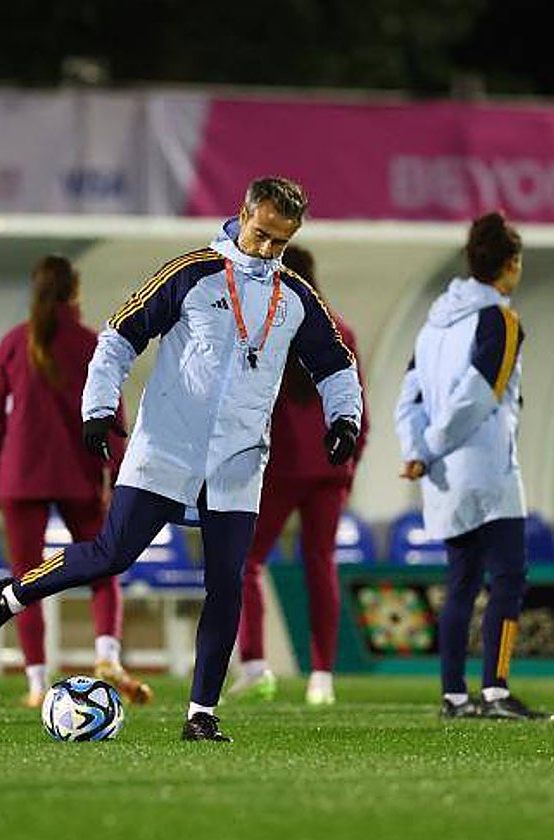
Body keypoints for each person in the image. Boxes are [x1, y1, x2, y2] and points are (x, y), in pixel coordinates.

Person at [0, 177, 363, 741]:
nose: (268, 249)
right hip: (166, 447)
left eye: (281, 242)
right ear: (242, 213)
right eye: (262, 234)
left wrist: (344, 418)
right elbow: (119, 336)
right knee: (111, 554)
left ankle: (201, 714)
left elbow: (337, 365)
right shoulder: (190, 273)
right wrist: (97, 408)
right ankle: (11, 595)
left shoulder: (294, 297)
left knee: (225, 584)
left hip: (239, 461)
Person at [0, 255, 152, 708]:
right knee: (103, 565)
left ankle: (36, 684)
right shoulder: (92, 343)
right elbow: (113, 415)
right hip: (82, 474)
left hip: (21, 477)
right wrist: (115, 474)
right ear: (74, 292)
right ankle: (107, 656)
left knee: (26, 578)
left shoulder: (15, 342)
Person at [395, 212, 551, 721]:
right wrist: (434, 446)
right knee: (508, 575)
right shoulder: (500, 320)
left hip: (440, 475)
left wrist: (417, 450)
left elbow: (409, 397)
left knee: (461, 579)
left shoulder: (433, 322)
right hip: (485, 468)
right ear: (510, 264)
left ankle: (454, 695)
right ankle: (497, 692)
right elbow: (478, 395)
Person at [227, 245, 369, 706]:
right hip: (329, 470)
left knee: (245, 561)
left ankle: (255, 666)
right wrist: (349, 469)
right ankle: (322, 678)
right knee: (320, 565)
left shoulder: (272, 330)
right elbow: (356, 409)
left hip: (279, 469)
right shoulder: (341, 331)